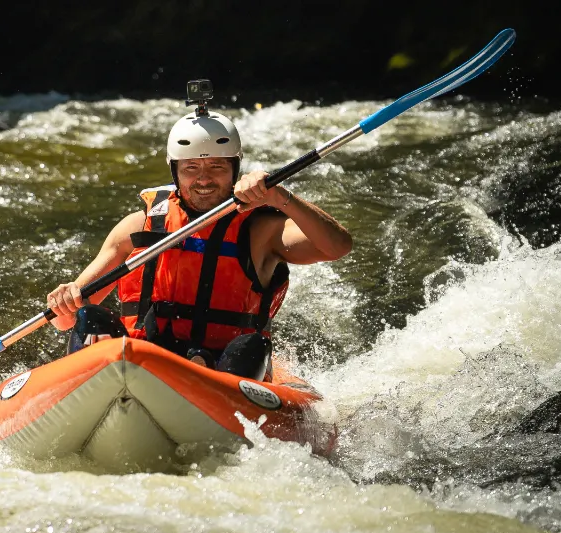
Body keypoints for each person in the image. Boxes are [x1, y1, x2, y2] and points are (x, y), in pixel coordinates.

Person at [46, 104, 352, 381]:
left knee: (251, 346)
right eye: (191, 168)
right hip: (143, 366)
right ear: (175, 173)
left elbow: (337, 247)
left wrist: (280, 197)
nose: (204, 179)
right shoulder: (136, 229)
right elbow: (66, 320)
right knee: (91, 318)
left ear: (235, 170)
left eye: (217, 167)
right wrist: (65, 300)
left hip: (225, 372)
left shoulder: (261, 231)